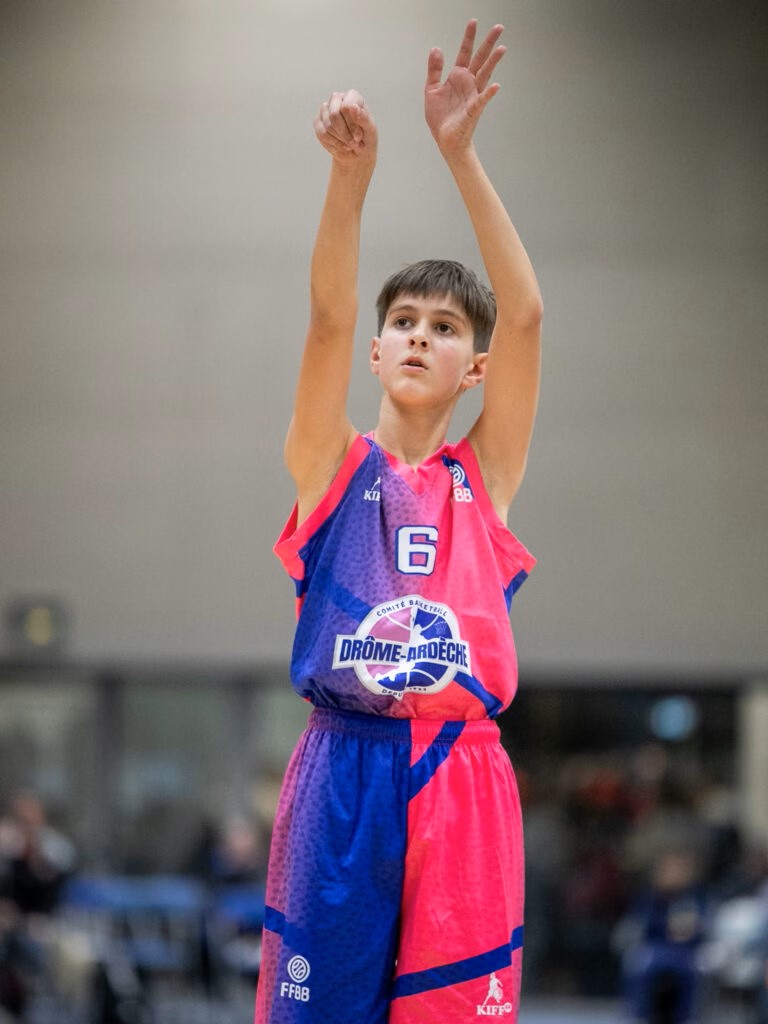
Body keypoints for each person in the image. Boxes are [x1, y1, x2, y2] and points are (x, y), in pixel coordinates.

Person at [255, 19, 542, 1024]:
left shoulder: (484, 479)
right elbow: (326, 319)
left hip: (464, 776)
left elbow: (528, 314)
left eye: (446, 327)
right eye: (405, 322)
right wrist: (351, 178)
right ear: (378, 353)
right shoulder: (329, 468)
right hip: (343, 767)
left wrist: (459, 154)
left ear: (476, 368)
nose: (420, 336)